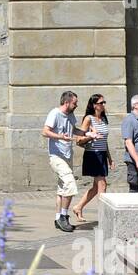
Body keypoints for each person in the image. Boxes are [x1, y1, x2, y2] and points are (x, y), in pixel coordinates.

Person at [42, 89, 90, 232]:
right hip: (56, 156)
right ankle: (63, 216)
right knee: (69, 184)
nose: (76, 105)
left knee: (62, 188)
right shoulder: (55, 113)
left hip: (67, 155)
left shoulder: (70, 115)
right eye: (75, 103)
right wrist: (60, 137)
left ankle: (58, 218)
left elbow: (73, 129)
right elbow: (45, 131)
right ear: (67, 102)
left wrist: (88, 134)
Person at [72, 93, 113, 221]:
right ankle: (103, 216)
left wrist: (109, 158)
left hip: (101, 154)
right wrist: (91, 136)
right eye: (101, 103)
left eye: (104, 102)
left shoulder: (104, 119)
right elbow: (79, 140)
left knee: (96, 187)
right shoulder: (89, 119)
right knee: (103, 185)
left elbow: (104, 141)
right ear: (94, 105)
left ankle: (78, 207)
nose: (103, 105)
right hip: (93, 154)